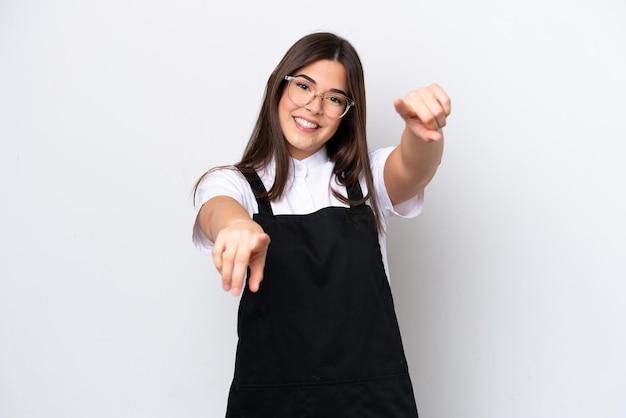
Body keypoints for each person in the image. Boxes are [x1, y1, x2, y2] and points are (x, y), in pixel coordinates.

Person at [192, 31, 451, 418]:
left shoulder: (366, 177)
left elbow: (413, 168)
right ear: (279, 88)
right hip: (271, 402)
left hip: (371, 401)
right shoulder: (234, 183)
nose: (314, 106)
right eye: (303, 86)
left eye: (333, 98)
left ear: (347, 111)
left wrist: (423, 135)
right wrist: (235, 226)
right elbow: (218, 209)